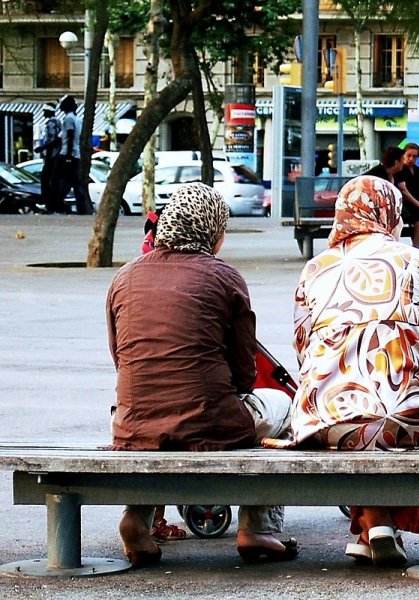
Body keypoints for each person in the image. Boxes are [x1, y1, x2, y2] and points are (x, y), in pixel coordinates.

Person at [263, 176, 419, 568]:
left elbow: (304, 348)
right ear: (389, 212)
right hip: (403, 416)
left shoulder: (315, 268)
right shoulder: (415, 261)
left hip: (324, 419)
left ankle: (370, 525)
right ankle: (380, 523)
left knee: (357, 423)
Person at [107, 183, 297, 567]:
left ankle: (137, 519)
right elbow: (246, 377)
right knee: (285, 406)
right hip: (211, 424)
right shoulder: (225, 278)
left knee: (156, 420)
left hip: (132, 423)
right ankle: (257, 526)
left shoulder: (123, 278)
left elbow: (120, 358)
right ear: (212, 231)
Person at [55, 95, 89, 215]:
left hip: (67, 154)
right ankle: (80, 207)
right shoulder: (77, 119)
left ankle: (58, 204)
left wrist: (68, 156)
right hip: (75, 154)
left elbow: (69, 135)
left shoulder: (68, 119)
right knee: (73, 182)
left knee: (60, 179)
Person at [33, 103, 63, 213]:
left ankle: (47, 203)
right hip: (55, 155)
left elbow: (54, 140)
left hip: (52, 156)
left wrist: (43, 148)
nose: (43, 113)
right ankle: (53, 204)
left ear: (49, 111)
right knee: (53, 181)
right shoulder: (58, 122)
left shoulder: (51, 123)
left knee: (45, 179)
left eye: (45, 111)